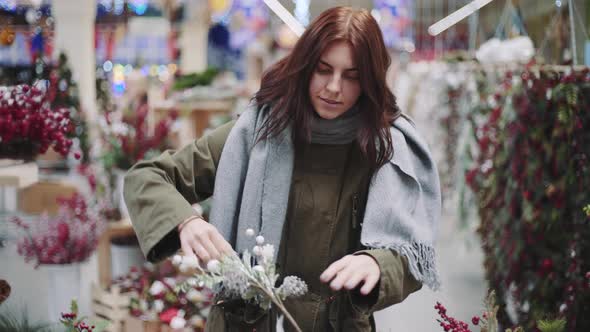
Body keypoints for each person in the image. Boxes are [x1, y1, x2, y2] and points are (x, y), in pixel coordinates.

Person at [124, 6, 441, 332]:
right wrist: (185, 221)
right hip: (247, 323)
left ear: (370, 80)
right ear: (305, 66)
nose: (334, 87)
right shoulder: (257, 133)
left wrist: (378, 263)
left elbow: (413, 253)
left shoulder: (385, 150)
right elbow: (146, 176)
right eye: (323, 70)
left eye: (352, 76)